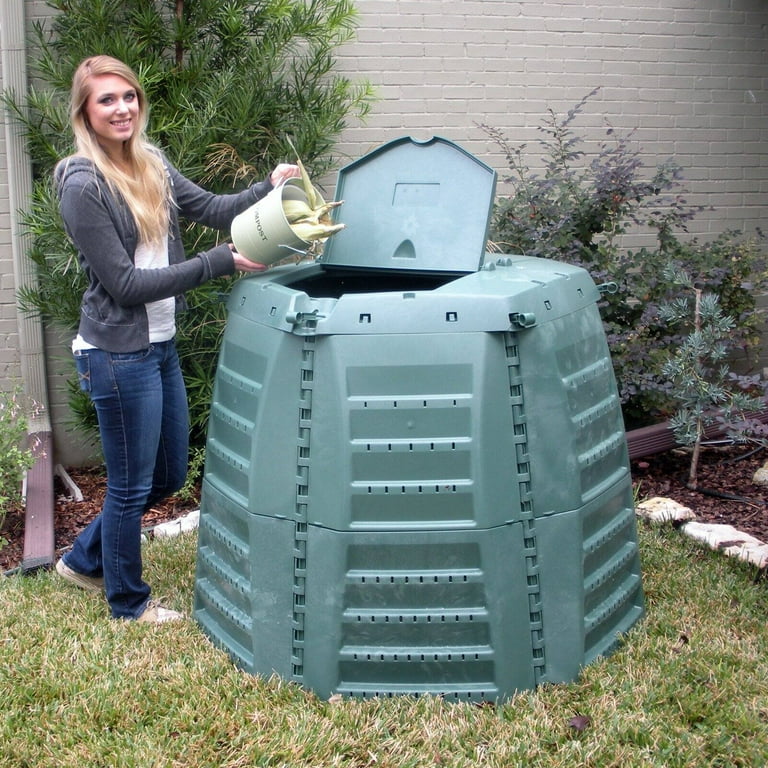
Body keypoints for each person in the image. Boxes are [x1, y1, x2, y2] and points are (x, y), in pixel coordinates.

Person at [53, 55, 300, 623]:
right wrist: (219, 263)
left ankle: (83, 559)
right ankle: (128, 604)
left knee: (165, 475)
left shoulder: (151, 162)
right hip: (116, 354)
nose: (122, 109)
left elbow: (212, 209)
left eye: (129, 97)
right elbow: (125, 283)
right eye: (106, 100)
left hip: (156, 346)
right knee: (129, 484)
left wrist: (268, 187)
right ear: (86, 114)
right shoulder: (83, 183)